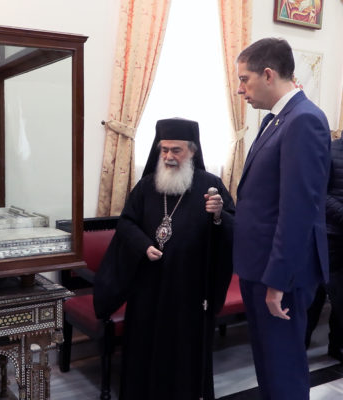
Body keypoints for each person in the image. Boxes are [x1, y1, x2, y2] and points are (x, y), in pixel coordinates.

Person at [93, 118, 235, 400]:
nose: (169, 156)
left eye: (176, 150)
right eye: (164, 149)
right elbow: (126, 223)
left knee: (183, 350)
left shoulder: (211, 186)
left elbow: (232, 228)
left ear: (192, 151)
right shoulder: (147, 186)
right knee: (145, 345)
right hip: (148, 286)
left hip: (190, 288)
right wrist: (143, 245)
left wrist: (219, 215)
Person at [233, 37, 331, 399]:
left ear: (268, 74)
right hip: (259, 266)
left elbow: (298, 211)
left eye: (244, 79)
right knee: (268, 365)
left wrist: (278, 281)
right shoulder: (276, 120)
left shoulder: (304, 120)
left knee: (283, 368)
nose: (240, 89)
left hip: (280, 273)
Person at [306, 138, 343, 361]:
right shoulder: (331, 150)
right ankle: (300, 342)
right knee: (316, 294)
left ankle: (337, 345)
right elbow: (319, 193)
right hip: (329, 236)